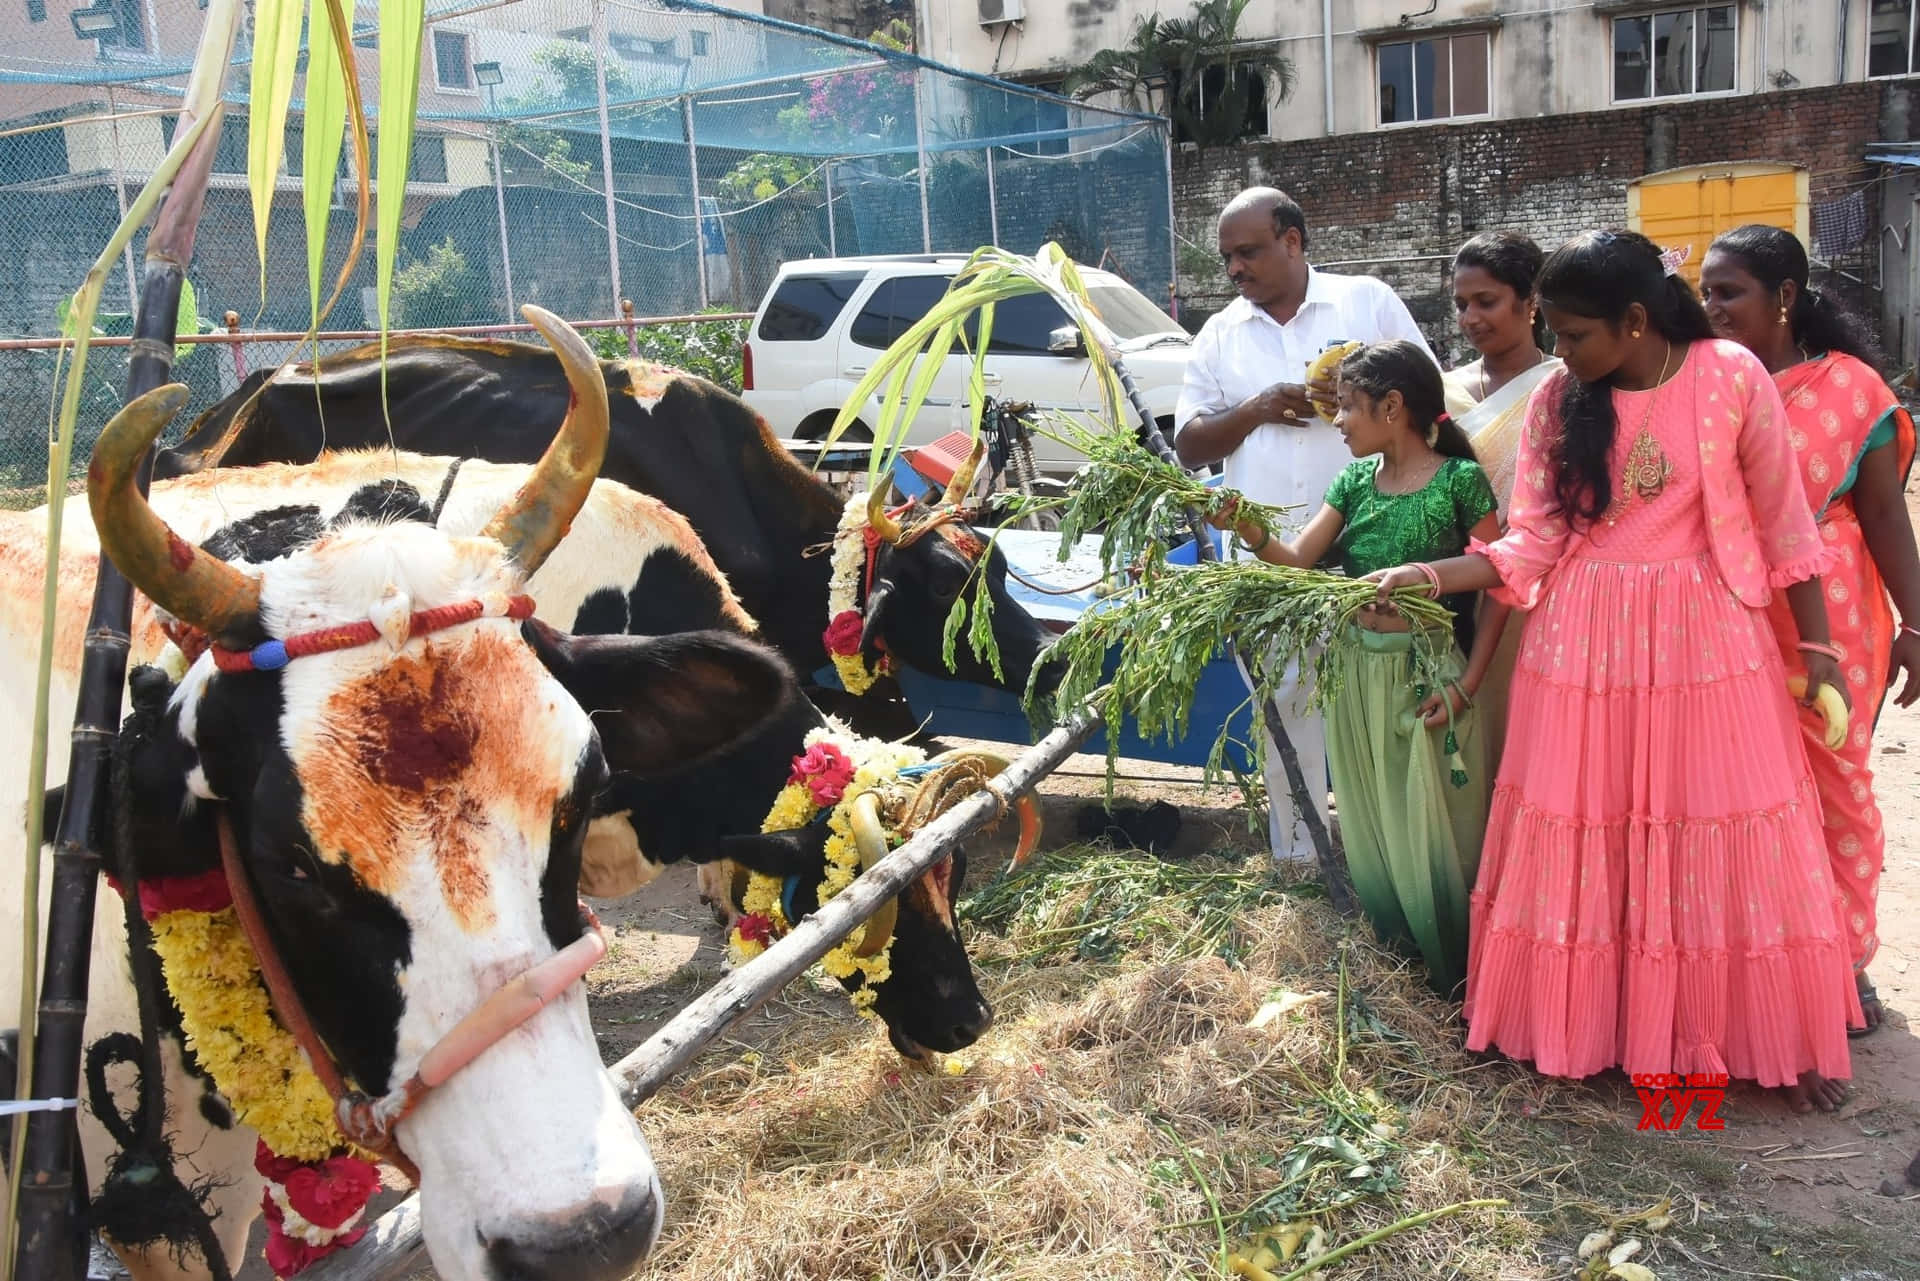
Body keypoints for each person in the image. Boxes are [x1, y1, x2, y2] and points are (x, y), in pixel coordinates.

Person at [1368, 230, 1862, 1111]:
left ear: (1635, 321)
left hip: (1709, 645)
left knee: (1726, 831)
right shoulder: (1563, 401)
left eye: (1574, 335)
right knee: (1587, 833)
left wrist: (1819, 653)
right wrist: (1427, 573)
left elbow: (1790, 527)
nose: (1559, 353)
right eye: (1553, 333)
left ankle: (1776, 1034)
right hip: (1583, 649)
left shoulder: (1729, 378)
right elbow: (1531, 542)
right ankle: (1581, 1030)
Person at [1214, 341, 1508, 994]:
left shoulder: (1459, 482)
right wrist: (1249, 529)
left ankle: (1461, 983)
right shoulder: (1352, 483)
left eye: (1347, 406)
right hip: (1356, 676)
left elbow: (1500, 578)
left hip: (1428, 676)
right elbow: (1297, 562)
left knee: (1436, 834)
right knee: (1373, 827)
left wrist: (1466, 686)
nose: (1338, 420)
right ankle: (1401, 976)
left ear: (1393, 407)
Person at [1700, 224, 1920, 1037]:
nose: (1712, 308)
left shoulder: (1852, 388)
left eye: (1730, 293)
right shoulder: (1699, 383)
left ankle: (1846, 963)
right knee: (1747, 796)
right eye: (1706, 294)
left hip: (1838, 615)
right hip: (1729, 616)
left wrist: (1918, 625)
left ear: (1785, 297)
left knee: (1835, 788)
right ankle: (1765, 963)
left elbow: (1887, 517)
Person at [1175, 186, 1434, 870]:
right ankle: (1299, 859)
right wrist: (1257, 409)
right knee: (1286, 708)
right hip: (1267, 560)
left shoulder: (1365, 302)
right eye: (1227, 256)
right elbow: (1190, 444)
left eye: (1248, 250)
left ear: (1293, 240)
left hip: (1373, 551)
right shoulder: (1221, 333)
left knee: (1375, 703)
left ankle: (1389, 857)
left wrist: (1353, 399)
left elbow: (1429, 393)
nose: (1235, 268)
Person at [1440, 231, 1564, 765]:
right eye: (1461, 305)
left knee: (1535, 733)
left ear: (1530, 300)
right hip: (1454, 584)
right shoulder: (1442, 389)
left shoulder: (1565, 384)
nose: (1470, 318)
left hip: (1543, 591)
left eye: (1485, 301)